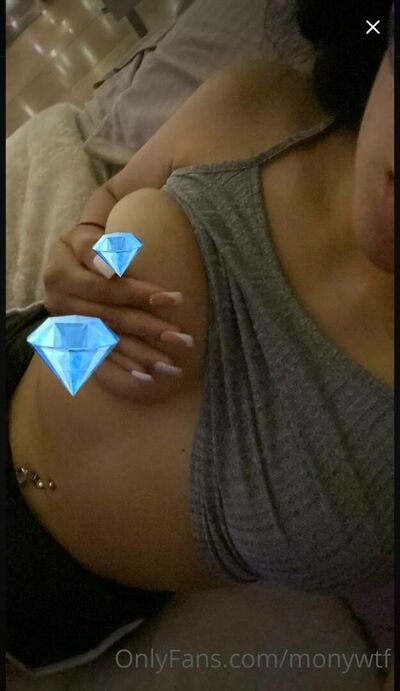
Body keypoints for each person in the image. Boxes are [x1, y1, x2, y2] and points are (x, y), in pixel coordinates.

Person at [7, 0, 394, 680]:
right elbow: (112, 200)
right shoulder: (259, 105)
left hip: (55, 593)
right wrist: (84, 254)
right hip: (19, 369)